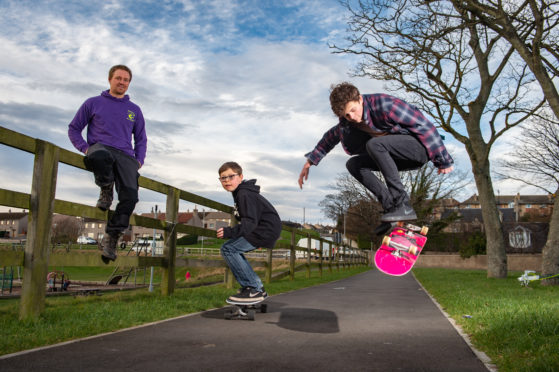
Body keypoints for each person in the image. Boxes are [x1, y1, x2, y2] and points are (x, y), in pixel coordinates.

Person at [298, 82, 453, 226]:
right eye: (346, 115)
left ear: (359, 99)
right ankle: (391, 207)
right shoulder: (347, 123)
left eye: (353, 110)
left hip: (417, 150)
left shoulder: (385, 105)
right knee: (354, 164)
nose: (352, 117)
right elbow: (330, 138)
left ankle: (403, 205)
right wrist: (310, 162)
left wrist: (442, 160)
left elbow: (424, 126)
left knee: (374, 144)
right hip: (397, 158)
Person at [68, 65, 147, 262]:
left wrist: (138, 161)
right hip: (100, 147)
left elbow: (141, 138)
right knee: (98, 156)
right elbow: (74, 128)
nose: (122, 82)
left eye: (126, 80)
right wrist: (85, 148)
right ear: (110, 79)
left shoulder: (134, 110)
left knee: (130, 197)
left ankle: (111, 237)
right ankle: (106, 189)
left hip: (126, 156)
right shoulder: (93, 103)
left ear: (129, 83)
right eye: (118, 78)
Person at [216, 162, 282, 303]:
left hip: (264, 229)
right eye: (223, 178)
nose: (227, 180)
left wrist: (229, 232)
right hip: (265, 228)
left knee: (229, 249)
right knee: (233, 249)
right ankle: (254, 288)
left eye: (231, 176)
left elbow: (249, 222)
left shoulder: (244, 194)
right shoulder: (242, 192)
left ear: (240, 176)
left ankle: (254, 288)